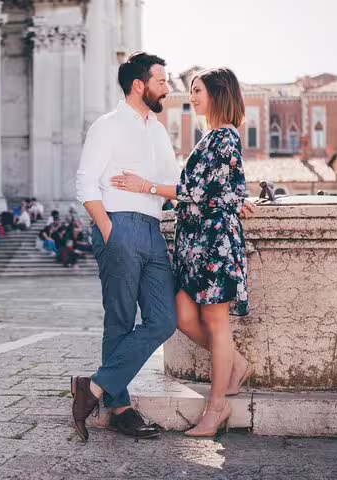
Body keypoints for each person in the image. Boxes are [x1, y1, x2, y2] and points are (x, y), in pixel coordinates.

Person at [111, 67, 255, 437]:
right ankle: (237, 363)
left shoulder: (224, 137)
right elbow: (226, 188)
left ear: (219, 93)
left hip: (214, 243)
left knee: (216, 324)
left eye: (198, 90)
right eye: (191, 90)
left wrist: (146, 186)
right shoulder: (210, 138)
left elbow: (201, 192)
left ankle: (216, 407)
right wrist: (237, 198)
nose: (192, 96)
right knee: (182, 315)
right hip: (196, 243)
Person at [71, 52, 179, 442]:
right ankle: (120, 409)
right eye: (162, 81)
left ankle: (95, 386)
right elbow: (85, 182)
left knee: (164, 319)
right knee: (119, 319)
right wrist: (109, 229)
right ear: (140, 85)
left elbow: (173, 185)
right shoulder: (108, 125)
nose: (167, 87)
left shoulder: (159, 130)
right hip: (118, 225)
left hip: (152, 229)